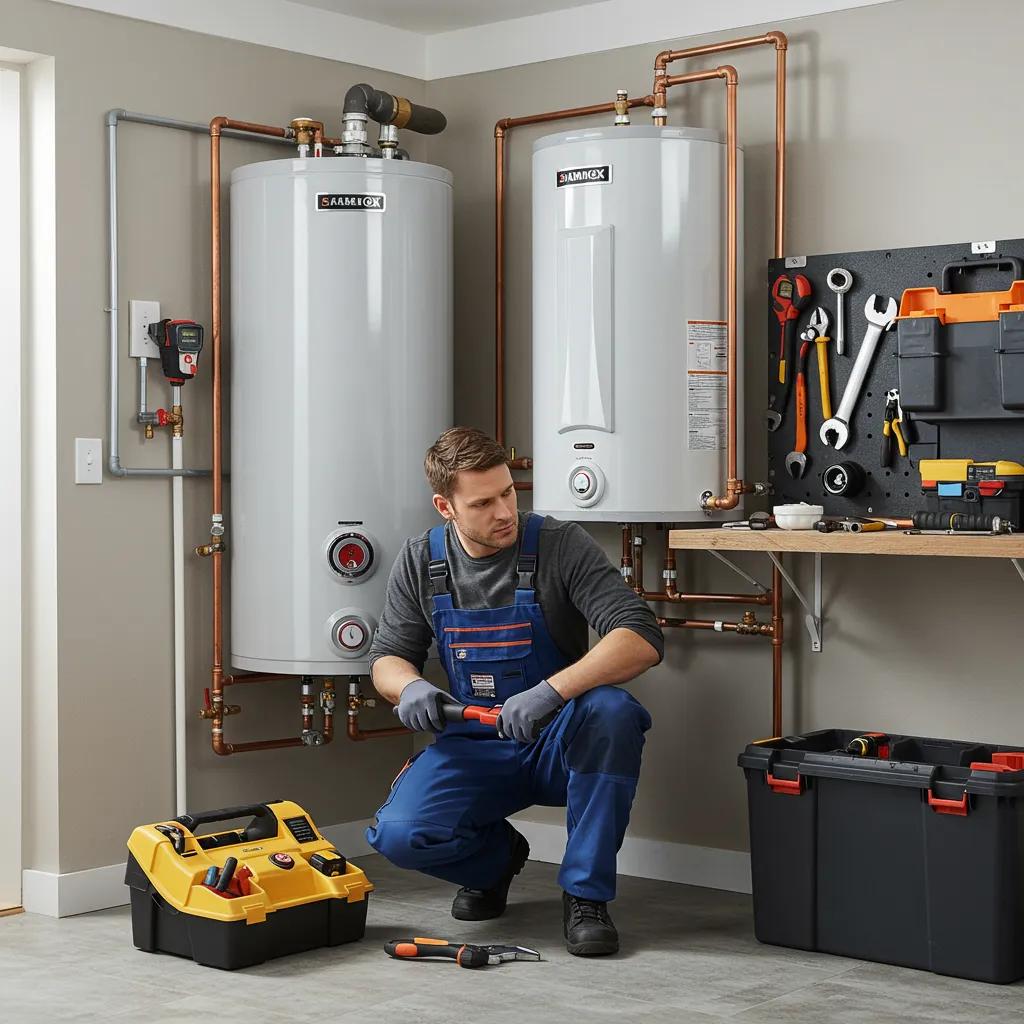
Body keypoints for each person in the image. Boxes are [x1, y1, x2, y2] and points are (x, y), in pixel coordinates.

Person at [365, 427, 663, 957]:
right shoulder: (421, 561)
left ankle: (585, 895)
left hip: (561, 739)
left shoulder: (557, 544)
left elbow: (639, 636)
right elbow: (388, 656)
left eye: (509, 492)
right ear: (445, 506)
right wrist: (407, 686)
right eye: (482, 502)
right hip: (475, 743)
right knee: (399, 835)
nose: (504, 511)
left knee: (613, 712)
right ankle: (497, 861)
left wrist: (553, 691)